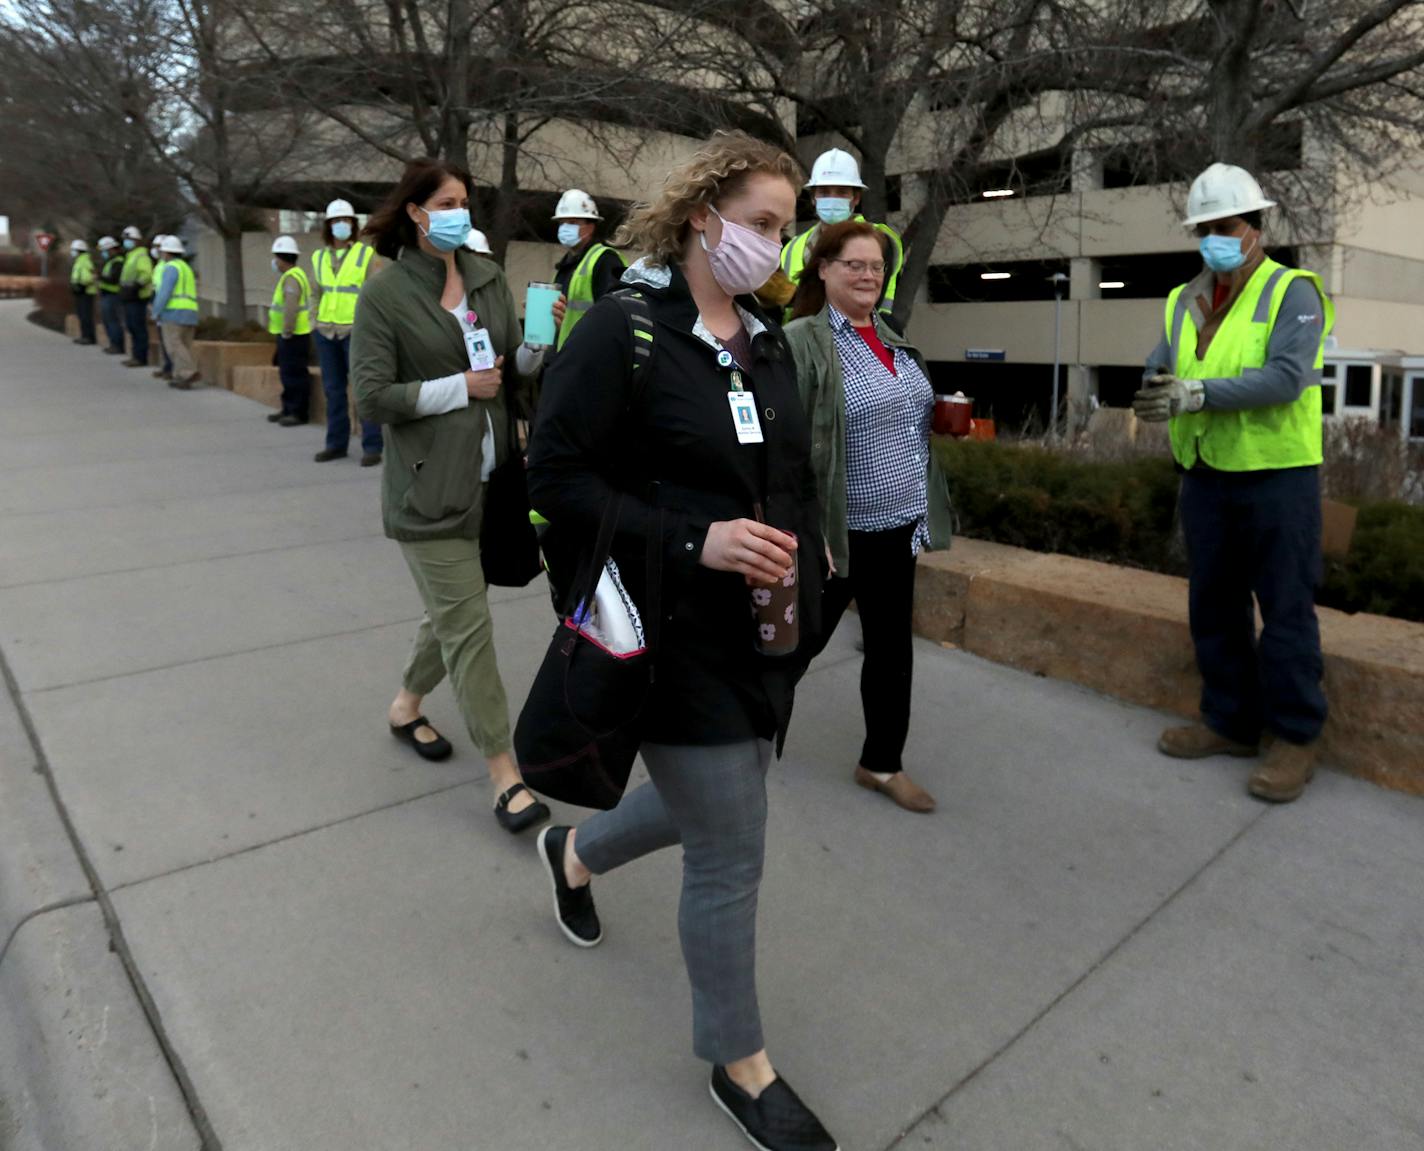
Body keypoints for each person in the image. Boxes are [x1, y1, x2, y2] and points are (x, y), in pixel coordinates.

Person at [527, 130, 839, 1151]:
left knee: (719, 805)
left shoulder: (760, 337)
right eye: (760, 223)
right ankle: (738, 1060)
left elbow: (778, 473)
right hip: (663, 630)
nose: (776, 247)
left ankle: (572, 851)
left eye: (786, 230)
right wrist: (693, 537)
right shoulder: (623, 330)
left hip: (759, 630)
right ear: (701, 214)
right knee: (730, 847)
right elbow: (557, 483)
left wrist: (806, 570)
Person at [350, 158, 551, 835]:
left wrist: (533, 351)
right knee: (469, 627)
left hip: (492, 482)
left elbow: (510, 372)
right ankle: (505, 774)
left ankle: (406, 705)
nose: (461, 210)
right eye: (448, 200)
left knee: (452, 611)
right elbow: (371, 399)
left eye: (465, 200)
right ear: (414, 210)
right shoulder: (385, 295)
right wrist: (460, 387)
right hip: (427, 489)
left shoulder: (488, 277)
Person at [1134, 162, 1334, 804]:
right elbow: (1163, 363)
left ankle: (1295, 737)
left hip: (1277, 478)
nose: (1216, 238)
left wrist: (1196, 394)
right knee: (1213, 603)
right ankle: (1229, 721)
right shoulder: (1182, 298)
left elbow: (1284, 379)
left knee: (1285, 610)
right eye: (1206, 229)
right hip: (1206, 475)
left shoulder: (1292, 292)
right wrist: (1155, 389)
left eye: (1227, 226)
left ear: (1256, 227)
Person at [784, 220, 953, 815]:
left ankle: (881, 762)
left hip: (899, 523)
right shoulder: (802, 340)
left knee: (890, 650)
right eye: (853, 264)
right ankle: (730, 740)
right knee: (794, 645)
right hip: (840, 532)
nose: (868, 275)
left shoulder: (891, 334)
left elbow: (901, 416)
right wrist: (809, 531)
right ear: (823, 269)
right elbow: (789, 447)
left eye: (877, 266)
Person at [779, 148, 904, 326]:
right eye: (824, 192)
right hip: (800, 345)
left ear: (856, 198)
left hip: (861, 340)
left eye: (841, 192)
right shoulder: (792, 248)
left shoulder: (878, 240)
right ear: (814, 197)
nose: (832, 198)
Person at [311, 198, 384, 467]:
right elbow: (315, 293)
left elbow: (376, 296)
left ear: (353, 225)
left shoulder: (366, 255)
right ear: (328, 226)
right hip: (326, 332)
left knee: (363, 389)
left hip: (355, 332)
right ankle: (336, 444)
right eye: (336, 221)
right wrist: (314, 322)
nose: (341, 225)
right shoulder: (319, 257)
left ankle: (373, 446)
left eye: (346, 221)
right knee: (333, 391)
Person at [548, 188, 626, 351]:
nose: (565, 228)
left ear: (591, 226)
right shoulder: (565, 266)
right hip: (563, 356)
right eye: (562, 223)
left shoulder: (605, 260)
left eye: (573, 222)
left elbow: (614, 316)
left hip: (590, 355)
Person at [268, 235, 313, 427]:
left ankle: (297, 412)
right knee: (287, 373)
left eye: (276, 258)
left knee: (294, 374)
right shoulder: (293, 276)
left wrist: (287, 331)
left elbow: (290, 308)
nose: (274, 262)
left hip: (294, 334)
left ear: (282, 258)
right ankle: (288, 408)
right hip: (291, 334)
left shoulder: (292, 278)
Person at [152, 235, 200, 389]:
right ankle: (180, 377)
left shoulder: (171, 268)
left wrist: (155, 311)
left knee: (174, 345)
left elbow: (164, 292)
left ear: (167, 253)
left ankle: (187, 372)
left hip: (173, 312)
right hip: (190, 312)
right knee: (184, 345)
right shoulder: (185, 267)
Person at [118, 224, 154, 368]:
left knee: (137, 327)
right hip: (129, 296)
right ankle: (135, 355)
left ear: (137, 240)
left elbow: (146, 274)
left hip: (138, 296)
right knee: (132, 326)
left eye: (129, 239)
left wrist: (136, 286)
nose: (126, 242)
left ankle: (140, 357)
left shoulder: (141, 255)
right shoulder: (130, 255)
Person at [149, 235, 175, 380]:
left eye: (158, 247)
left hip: (166, 306)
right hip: (159, 302)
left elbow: (165, 289)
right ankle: (166, 367)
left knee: (168, 340)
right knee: (163, 339)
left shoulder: (167, 266)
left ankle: (170, 368)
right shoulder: (160, 264)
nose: (155, 250)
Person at [95, 236, 126, 354]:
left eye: (104, 251)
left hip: (113, 296)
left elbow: (113, 279)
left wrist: (99, 276)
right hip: (107, 295)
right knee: (109, 321)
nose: (103, 253)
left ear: (111, 249)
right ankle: (113, 344)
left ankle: (117, 345)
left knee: (113, 321)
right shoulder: (111, 262)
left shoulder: (118, 262)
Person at [68, 239, 97, 345]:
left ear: (79, 250)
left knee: (85, 316)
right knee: (82, 315)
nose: (72, 252)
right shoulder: (80, 260)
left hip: (86, 292)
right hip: (81, 292)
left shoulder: (84, 261)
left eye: (74, 250)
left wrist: (80, 285)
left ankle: (88, 337)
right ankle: (85, 336)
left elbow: (88, 277)